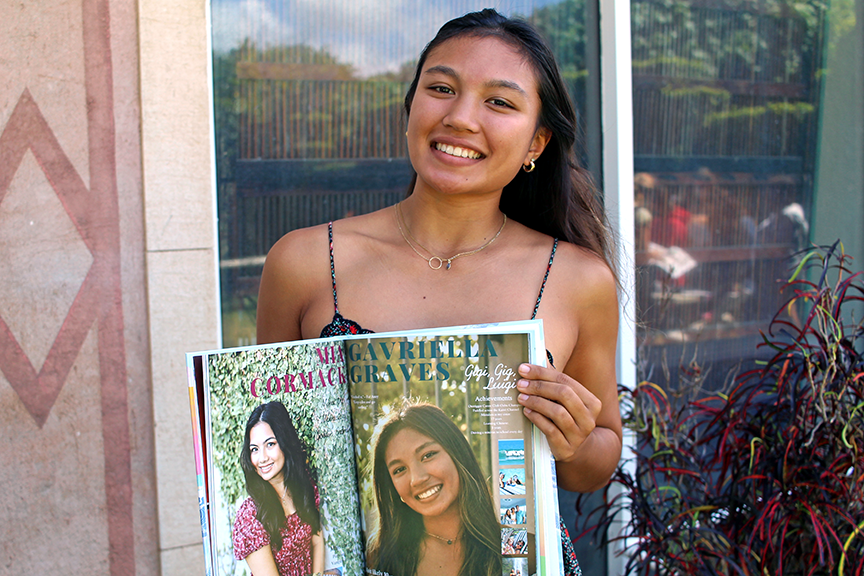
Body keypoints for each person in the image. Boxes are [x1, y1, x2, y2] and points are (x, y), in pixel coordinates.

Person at [257, 9, 623, 575]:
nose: (460, 117)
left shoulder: (576, 278)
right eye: (441, 89)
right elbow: (274, 429)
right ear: (411, 108)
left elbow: (596, 461)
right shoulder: (304, 262)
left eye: (499, 102)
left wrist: (573, 442)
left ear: (537, 141)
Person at [366, 401, 501, 576]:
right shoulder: (377, 561)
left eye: (427, 455)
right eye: (399, 470)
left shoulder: (515, 546)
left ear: (457, 453)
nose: (417, 479)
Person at [232, 402, 324, 576]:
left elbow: (317, 541)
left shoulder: (304, 485)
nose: (262, 458)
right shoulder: (250, 517)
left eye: (270, 444)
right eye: (254, 449)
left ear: (285, 442)